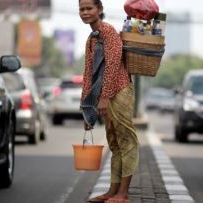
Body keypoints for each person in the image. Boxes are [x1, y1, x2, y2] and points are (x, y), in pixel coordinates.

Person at [79, 0, 139, 202]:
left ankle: (123, 194)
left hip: (119, 90)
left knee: (126, 140)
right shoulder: (91, 39)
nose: (85, 12)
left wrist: (105, 97)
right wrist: (86, 109)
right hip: (104, 95)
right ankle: (112, 192)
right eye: (82, 9)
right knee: (113, 142)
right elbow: (88, 74)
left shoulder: (109, 32)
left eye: (89, 8)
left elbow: (113, 64)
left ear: (99, 10)